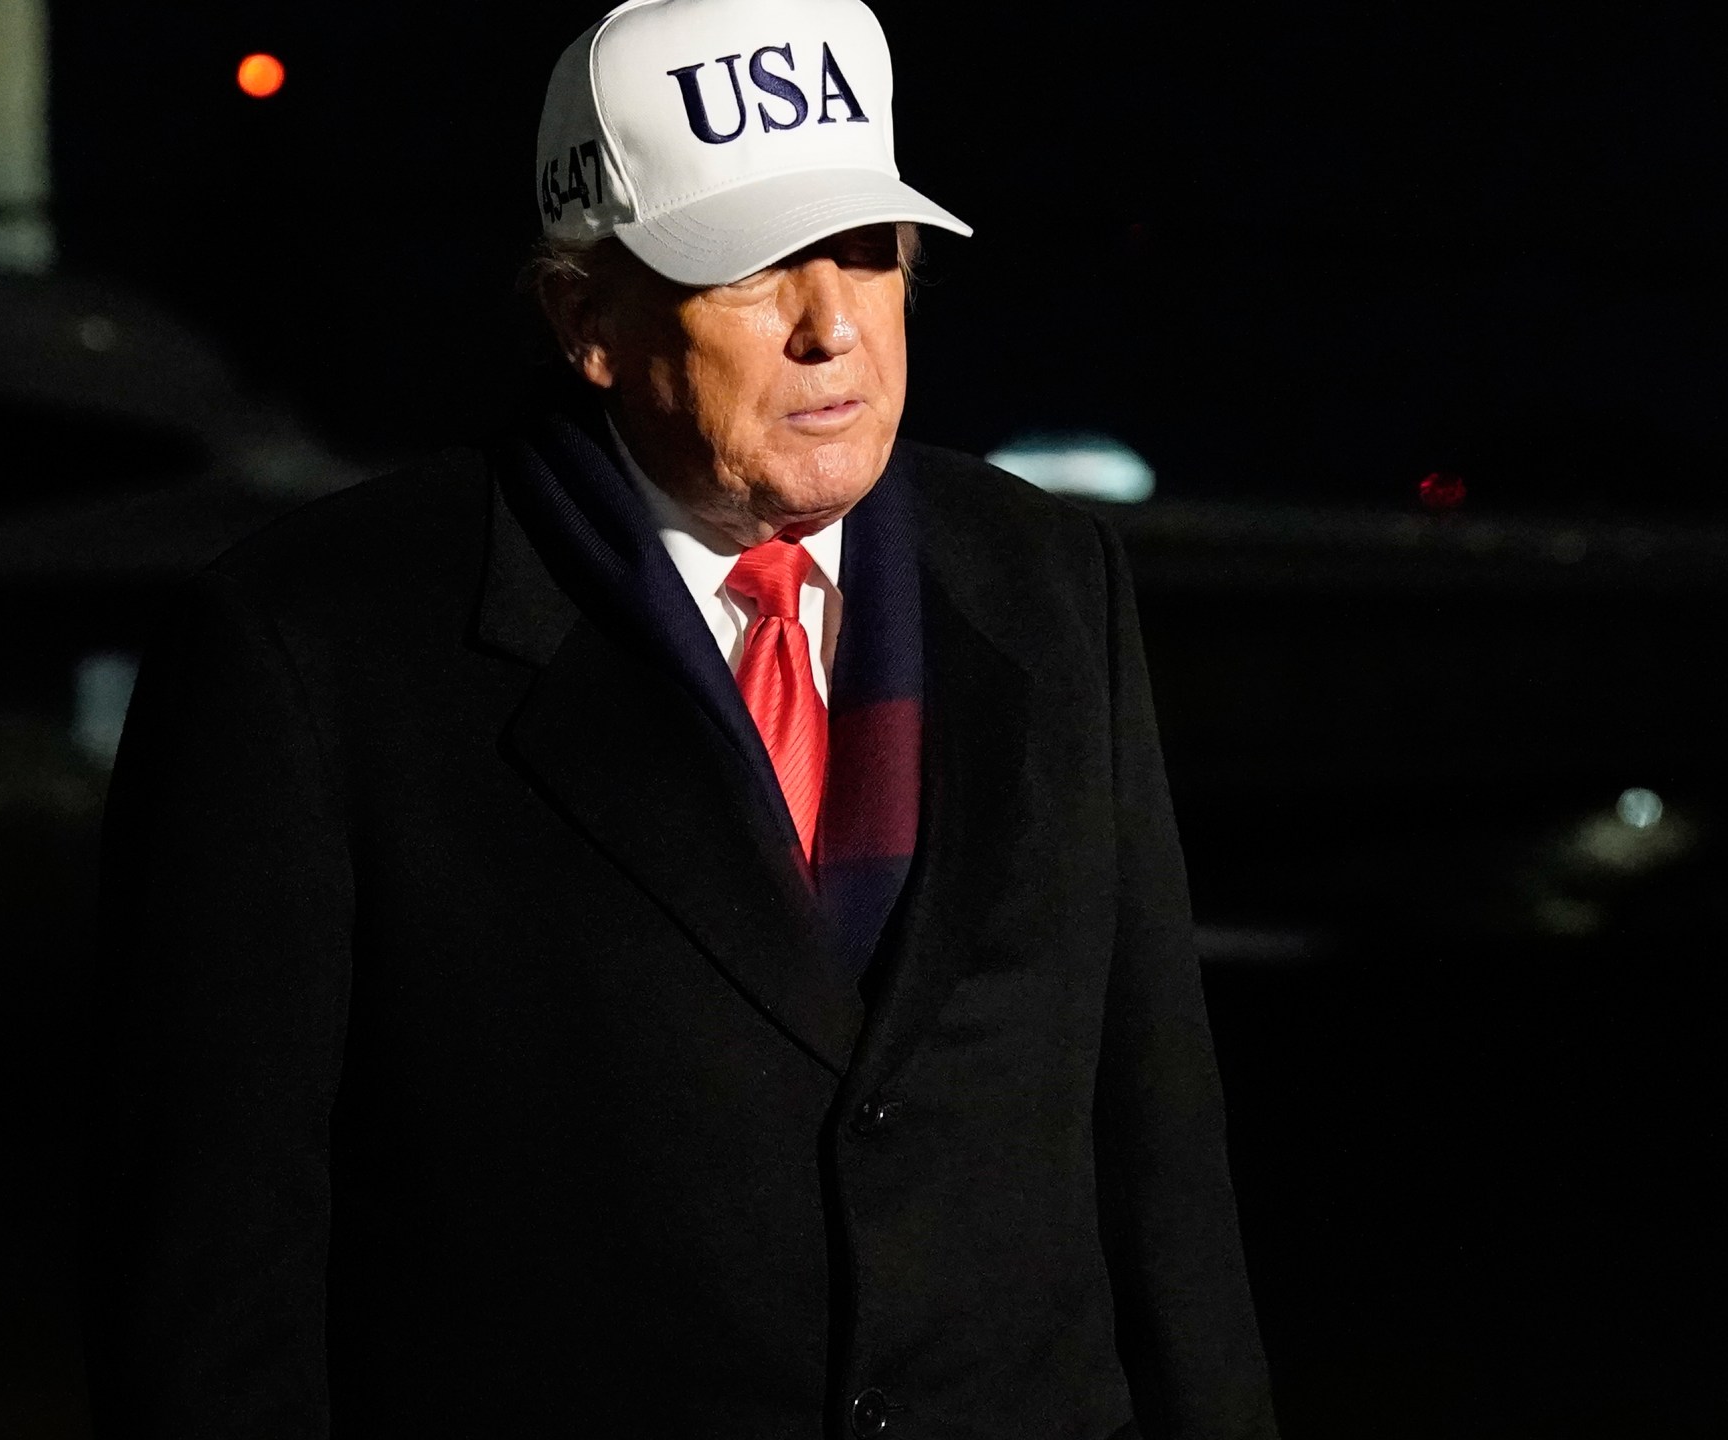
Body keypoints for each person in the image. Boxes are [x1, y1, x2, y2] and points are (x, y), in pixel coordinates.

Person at [84, 1, 1277, 1436]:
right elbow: (219, 1261)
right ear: (585, 319)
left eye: (868, 250)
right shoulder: (317, 645)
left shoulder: (1048, 579)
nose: (833, 325)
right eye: (755, 267)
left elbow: (1160, 1139)